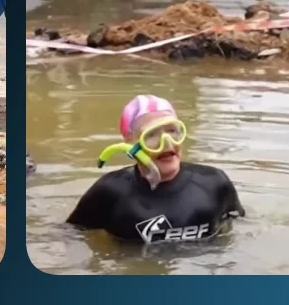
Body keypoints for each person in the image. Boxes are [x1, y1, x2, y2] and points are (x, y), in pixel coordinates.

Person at [66, 95, 246, 244]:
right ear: (130, 143)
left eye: (173, 131)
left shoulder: (214, 182)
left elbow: (240, 228)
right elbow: (71, 235)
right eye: (151, 135)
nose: (167, 143)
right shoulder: (110, 191)